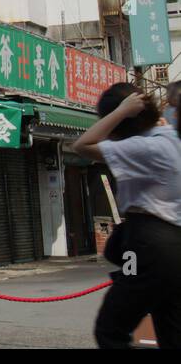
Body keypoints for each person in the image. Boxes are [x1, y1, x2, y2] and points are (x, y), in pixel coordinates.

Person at [73, 84, 181, 349]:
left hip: (147, 242)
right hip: (171, 245)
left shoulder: (145, 148)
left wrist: (119, 112)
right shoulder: (168, 137)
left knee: (111, 329)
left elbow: (83, 145)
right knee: (172, 332)